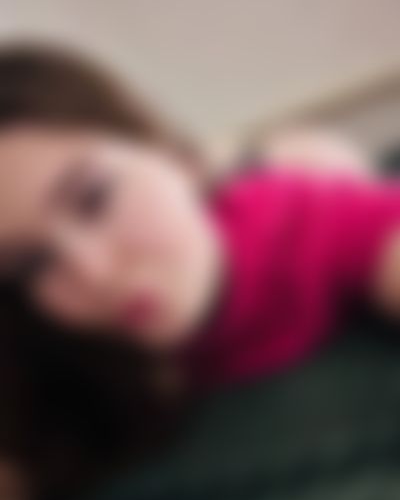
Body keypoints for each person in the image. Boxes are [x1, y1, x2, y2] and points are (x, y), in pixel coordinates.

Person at [0, 42, 399, 395]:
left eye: (94, 199)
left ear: (167, 152)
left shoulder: (307, 223)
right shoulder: (59, 347)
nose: (94, 274)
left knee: (319, 154)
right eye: (32, 263)